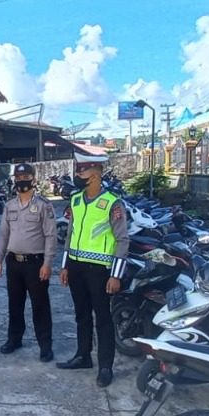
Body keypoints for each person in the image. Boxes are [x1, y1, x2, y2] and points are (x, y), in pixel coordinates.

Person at [57, 154, 129, 387]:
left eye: (82, 172)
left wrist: (116, 275)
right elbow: (70, 234)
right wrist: (65, 266)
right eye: (78, 171)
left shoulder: (112, 202)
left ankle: (106, 367)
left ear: (96, 175)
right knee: (82, 314)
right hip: (76, 267)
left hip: (100, 270)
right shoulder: (76, 200)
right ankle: (83, 356)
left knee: (103, 318)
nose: (78, 175)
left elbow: (122, 240)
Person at [0, 163, 57, 362]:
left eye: (25, 177)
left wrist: (47, 263)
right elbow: (3, 235)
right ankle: (14, 339)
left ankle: (45, 346)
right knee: (15, 304)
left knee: (40, 306)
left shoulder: (44, 205)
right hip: (14, 263)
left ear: (34, 180)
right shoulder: (9, 205)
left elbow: (51, 236)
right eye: (18, 178)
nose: (21, 181)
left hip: (35, 264)